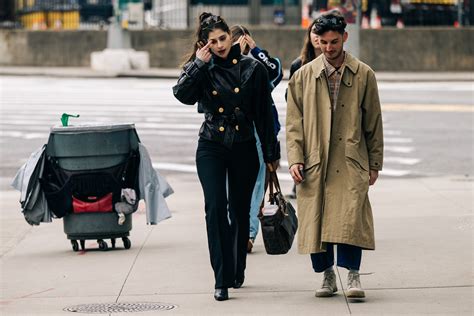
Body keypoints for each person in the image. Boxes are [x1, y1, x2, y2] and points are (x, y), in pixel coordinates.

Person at [173, 12, 280, 301]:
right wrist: (197, 63)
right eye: (213, 41)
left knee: (239, 210)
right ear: (203, 44)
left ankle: (237, 268)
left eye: (223, 38)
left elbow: (263, 116)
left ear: (231, 37)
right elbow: (181, 94)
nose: (220, 45)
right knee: (216, 207)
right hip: (212, 145)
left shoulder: (252, 69)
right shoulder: (202, 67)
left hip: (244, 145)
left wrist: (271, 154)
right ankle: (221, 278)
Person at [286, 10, 384, 299]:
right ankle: (327, 275)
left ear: (345, 37)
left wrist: (374, 163)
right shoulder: (303, 75)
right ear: (316, 40)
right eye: (323, 42)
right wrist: (295, 158)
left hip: (351, 157)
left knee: (351, 216)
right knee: (316, 217)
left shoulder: (364, 74)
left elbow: (373, 122)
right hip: (315, 158)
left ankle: (353, 275)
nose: (329, 48)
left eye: (334, 42)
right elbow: (294, 122)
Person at [230, 24, 283, 253]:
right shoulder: (222, 64)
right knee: (230, 185)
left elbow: (275, 72)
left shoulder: (258, 65)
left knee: (257, 185)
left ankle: (248, 234)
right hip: (232, 131)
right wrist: (234, 54)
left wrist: (256, 51)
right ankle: (234, 230)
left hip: (259, 130)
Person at [286, 18, 322, 199]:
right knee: (303, 150)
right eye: (313, 32)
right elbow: (290, 97)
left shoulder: (335, 62)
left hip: (325, 117)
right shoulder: (298, 64)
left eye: (320, 32)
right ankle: (297, 182)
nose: (317, 37)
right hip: (306, 118)